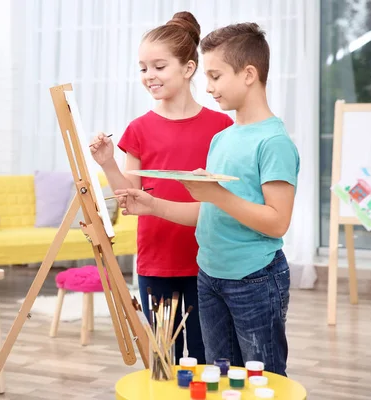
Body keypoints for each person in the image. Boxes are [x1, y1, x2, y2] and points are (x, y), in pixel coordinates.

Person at [114, 22, 300, 376]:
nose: (209, 86)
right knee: (215, 376)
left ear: (248, 75)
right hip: (211, 275)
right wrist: (151, 205)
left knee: (263, 380)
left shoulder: (273, 142)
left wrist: (216, 194)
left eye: (215, 76)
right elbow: (208, 213)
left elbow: (277, 221)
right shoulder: (224, 138)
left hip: (254, 278)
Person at [90, 11, 233, 364]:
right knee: (163, 359)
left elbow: (226, 197)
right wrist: (108, 162)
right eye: (143, 68)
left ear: (188, 68)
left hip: (208, 260)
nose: (149, 76)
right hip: (156, 261)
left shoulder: (221, 125)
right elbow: (129, 198)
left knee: (205, 357)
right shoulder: (138, 129)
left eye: (158, 66)